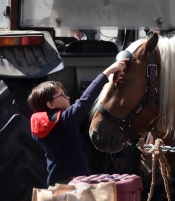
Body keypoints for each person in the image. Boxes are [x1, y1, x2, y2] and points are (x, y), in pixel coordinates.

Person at [28, 58, 128, 186]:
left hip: (59, 182)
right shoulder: (62, 121)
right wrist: (107, 73)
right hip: (72, 183)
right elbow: (84, 102)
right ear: (51, 104)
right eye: (63, 95)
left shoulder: (47, 123)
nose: (68, 97)